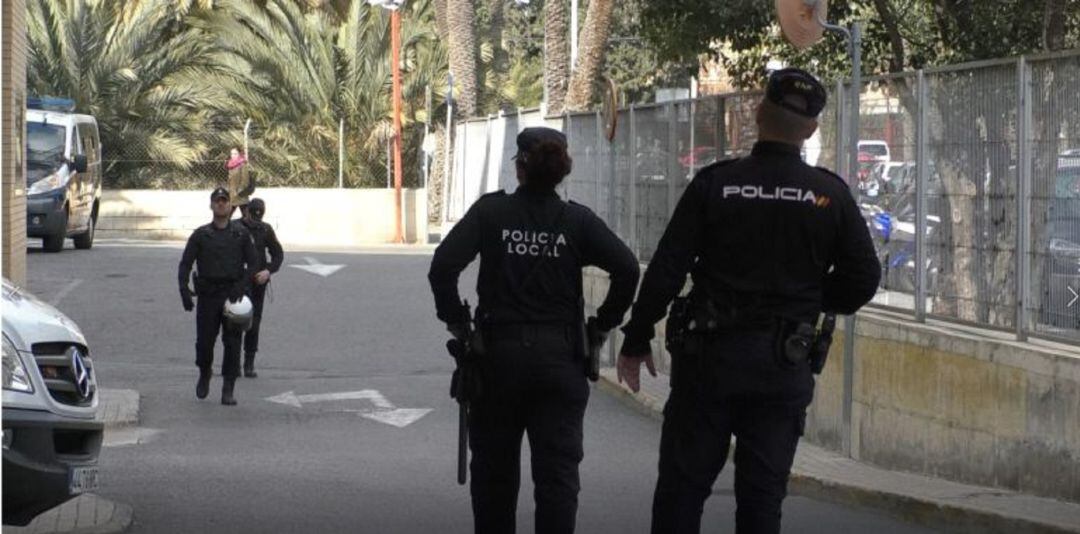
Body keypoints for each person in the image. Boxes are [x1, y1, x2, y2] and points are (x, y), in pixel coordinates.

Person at [616, 68, 882, 534]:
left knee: (681, 494)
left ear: (758, 114)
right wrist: (806, 302)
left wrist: (637, 337)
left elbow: (667, 269)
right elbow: (863, 279)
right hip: (782, 366)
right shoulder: (829, 194)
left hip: (709, 364)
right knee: (762, 503)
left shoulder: (716, 183)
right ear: (812, 130)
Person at [428, 127, 640, 534]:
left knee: (493, 479)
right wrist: (600, 327)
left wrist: (456, 320)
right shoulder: (577, 220)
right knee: (558, 481)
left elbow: (443, 267)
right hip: (560, 361)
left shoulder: (491, 213)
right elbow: (628, 269)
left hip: (497, 361)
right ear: (562, 169)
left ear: (520, 167)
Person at [178, 187, 259, 406]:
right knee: (204, 344)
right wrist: (184, 290)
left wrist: (241, 286)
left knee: (232, 344)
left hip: (232, 296)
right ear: (211, 205)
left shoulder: (240, 234)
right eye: (217, 201)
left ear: (230, 206)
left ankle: (228, 388)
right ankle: (205, 373)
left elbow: (253, 264)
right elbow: (186, 264)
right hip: (208, 296)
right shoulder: (201, 235)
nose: (221, 204)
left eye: (224, 201)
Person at [239, 197, 284, 378]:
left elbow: (278, 254)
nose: (255, 219)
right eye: (253, 215)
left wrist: (268, 271)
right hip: (237, 282)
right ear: (246, 211)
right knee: (233, 321)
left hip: (258, 282)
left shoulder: (265, 229)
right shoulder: (235, 227)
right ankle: (232, 363)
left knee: (253, 323)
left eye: (259, 215)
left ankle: (249, 364)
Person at [226, 147, 253, 217]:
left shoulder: (242, 164)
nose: (233, 155)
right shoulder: (231, 164)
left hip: (240, 194)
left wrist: (240, 191)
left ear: (239, 154)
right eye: (231, 154)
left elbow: (245, 179)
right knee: (227, 215)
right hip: (232, 194)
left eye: (235, 154)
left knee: (246, 215)